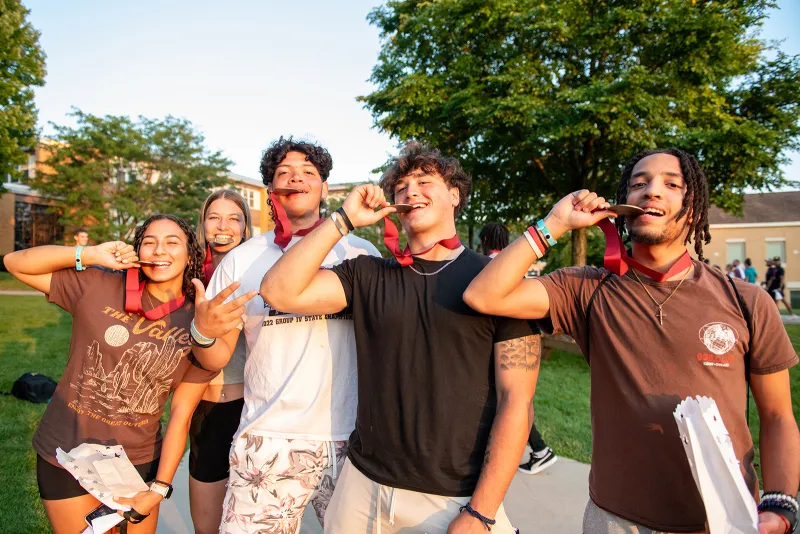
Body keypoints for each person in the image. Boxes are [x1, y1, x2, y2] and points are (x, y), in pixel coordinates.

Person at [464, 148, 799, 534]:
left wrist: (781, 504)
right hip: (614, 521)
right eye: (639, 184)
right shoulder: (586, 289)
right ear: (623, 205)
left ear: (693, 208)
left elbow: (777, 417)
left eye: (671, 184)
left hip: (724, 520)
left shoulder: (745, 300)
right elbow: (483, 295)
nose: (651, 191)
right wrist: (554, 223)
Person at [262, 142, 540, 534]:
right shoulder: (368, 274)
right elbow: (278, 291)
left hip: (453, 497)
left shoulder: (495, 283)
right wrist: (343, 219)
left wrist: (482, 511)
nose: (411, 191)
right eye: (401, 187)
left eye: (425, 181)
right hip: (361, 485)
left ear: (455, 195)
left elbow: (518, 402)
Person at [190, 137, 380, 534]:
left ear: (325, 188)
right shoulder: (243, 260)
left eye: (309, 172)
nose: (297, 178)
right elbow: (215, 358)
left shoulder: (361, 253)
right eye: (284, 173)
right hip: (268, 438)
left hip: (352, 438)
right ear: (270, 190)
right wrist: (202, 333)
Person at [3, 214, 217, 534]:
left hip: (135, 462)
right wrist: (89, 255)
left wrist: (158, 488)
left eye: (172, 242)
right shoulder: (99, 283)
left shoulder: (199, 319)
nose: (160, 250)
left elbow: (180, 417)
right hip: (67, 451)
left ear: (191, 255)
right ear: (137, 251)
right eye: (149, 242)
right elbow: (15, 262)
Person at [188, 189, 253, 534]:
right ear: (203, 225)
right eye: (214, 217)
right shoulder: (190, 271)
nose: (223, 226)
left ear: (246, 226)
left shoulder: (258, 266)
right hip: (205, 406)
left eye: (234, 218)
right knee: (208, 526)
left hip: (252, 409)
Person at [480, 222, 558, 475]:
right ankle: (540, 450)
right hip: (526, 337)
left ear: (484, 240)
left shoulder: (489, 266)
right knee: (518, 400)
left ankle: (539, 449)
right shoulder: (516, 261)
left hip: (500, 341)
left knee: (506, 402)